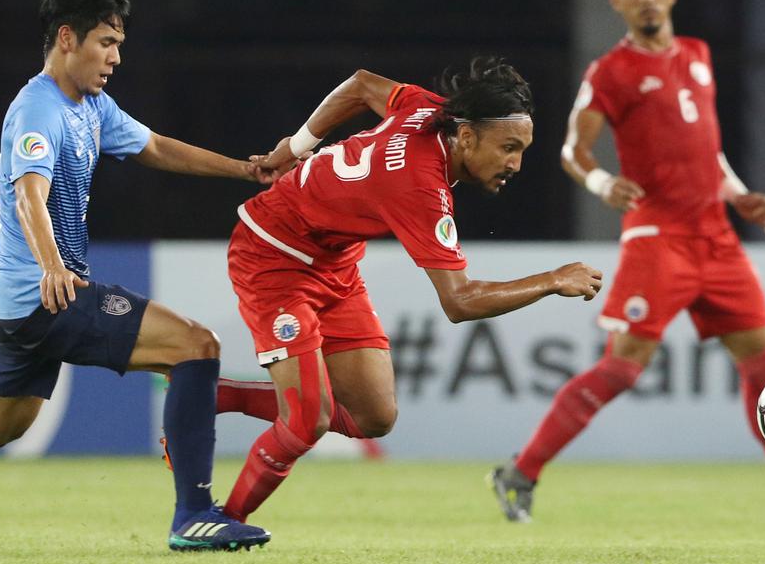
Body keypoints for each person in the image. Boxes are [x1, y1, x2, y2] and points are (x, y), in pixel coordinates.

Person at [0, 0, 274, 552]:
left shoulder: (92, 106)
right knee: (196, 346)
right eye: (106, 43)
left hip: (17, 305)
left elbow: (158, 147)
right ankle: (195, 513)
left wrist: (243, 171)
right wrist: (52, 265)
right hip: (47, 294)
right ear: (67, 38)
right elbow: (28, 195)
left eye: (119, 44)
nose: (115, 58)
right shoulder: (37, 110)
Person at [488, 0, 765, 524]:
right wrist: (602, 182)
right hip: (659, 238)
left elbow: (708, 149)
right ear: (618, 1)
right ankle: (520, 472)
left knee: (764, 364)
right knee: (623, 369)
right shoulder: (611, 71)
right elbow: (573, 149)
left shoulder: (698, 55)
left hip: (717, 239)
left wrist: (737, 193)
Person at [213, 57, 605, 526]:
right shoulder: (421, 186)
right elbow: (459, 302)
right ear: (467, 138)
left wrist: (293, 148)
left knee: (374, 416)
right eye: (507, 148)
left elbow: (360, 84)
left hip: (334, 261)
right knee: (307, 420)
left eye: (521, 150)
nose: (515, 164)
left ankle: (219, 395)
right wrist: (552, 279)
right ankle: (220, 521)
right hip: (272, 255)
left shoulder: (428, 108)